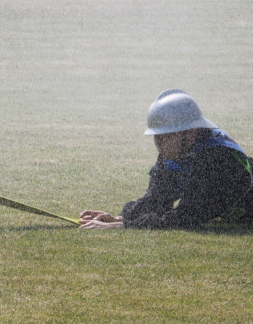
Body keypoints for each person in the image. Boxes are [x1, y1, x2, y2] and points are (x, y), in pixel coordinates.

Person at [80, 89, 253, 230]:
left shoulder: (217, 160)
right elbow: (157, 199)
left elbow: (187, 217)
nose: (159, 143)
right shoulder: (176, 151)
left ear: (191, 132)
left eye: (166, 135)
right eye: (156, 135)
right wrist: (120, 217)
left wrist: (124, 226)